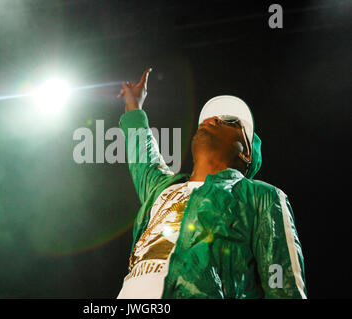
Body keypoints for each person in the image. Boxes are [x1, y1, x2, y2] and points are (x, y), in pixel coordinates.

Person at [115, 68, 307, 299]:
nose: (214, 118)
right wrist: (134, 106)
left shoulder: (260, 196)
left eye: (231, 122)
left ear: (246, 154)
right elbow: (143, 155)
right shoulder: (163, 189)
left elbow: (283, 285)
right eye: (210, 117)